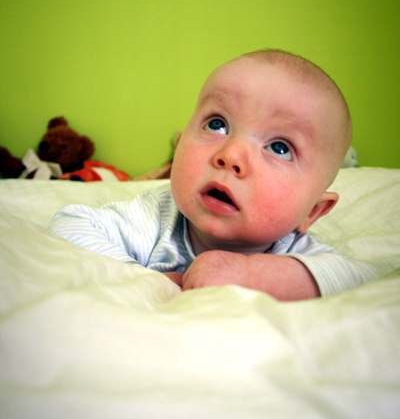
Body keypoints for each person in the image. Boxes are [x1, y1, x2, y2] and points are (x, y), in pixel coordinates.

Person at [50, 50, 377, 300]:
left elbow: (363, 281)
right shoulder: (155, 217)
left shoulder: (297, 252)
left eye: (279, 147)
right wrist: (147, 280)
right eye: (217, 124)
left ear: (312, 212)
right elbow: (69, 225)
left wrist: (250, 276)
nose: (231, 156)